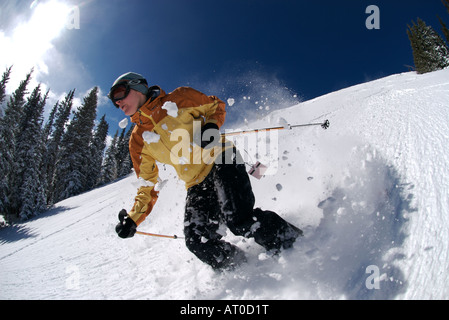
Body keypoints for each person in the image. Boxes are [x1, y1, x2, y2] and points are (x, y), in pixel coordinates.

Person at [110, 72, 302, 271]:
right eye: (114, 101)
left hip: (222, 156)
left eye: (119, 94)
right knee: (197, 241)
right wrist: (133, 218)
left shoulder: (179, 98)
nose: (118, 103)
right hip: (196, 183)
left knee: (239, 219)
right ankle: (245, 270)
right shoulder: (138, 140)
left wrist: (210, 126)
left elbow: (215, 106)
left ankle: (296, 246)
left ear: (138, 86)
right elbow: (147, 184)